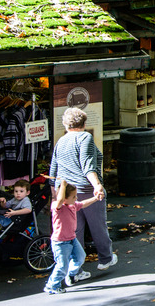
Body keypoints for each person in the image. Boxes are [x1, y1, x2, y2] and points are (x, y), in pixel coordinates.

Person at [49, 107, 118, 272]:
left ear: (66, 125)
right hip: (85, 189)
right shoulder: (85, 137)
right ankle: (105, 258)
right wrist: (98, 186)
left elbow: (53, 169)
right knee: (97, 226)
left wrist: (56, 194)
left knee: (74, 231)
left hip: (66, 192)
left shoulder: (61, 141)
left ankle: (76, 270)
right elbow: (88, 165)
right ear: (84, 123)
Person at [44, 180, 100, 294]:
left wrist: (95, 198)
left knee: (80, 257)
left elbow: (83, 203)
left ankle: (71, 274)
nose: (76, 198)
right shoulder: (57, 206)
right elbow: (59, 200)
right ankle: (52, 285)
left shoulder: (72, 205)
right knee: (61, 266)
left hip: (72, 238)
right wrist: (63, 186)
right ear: (65, 198)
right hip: (60, 242)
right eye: (74, 196)